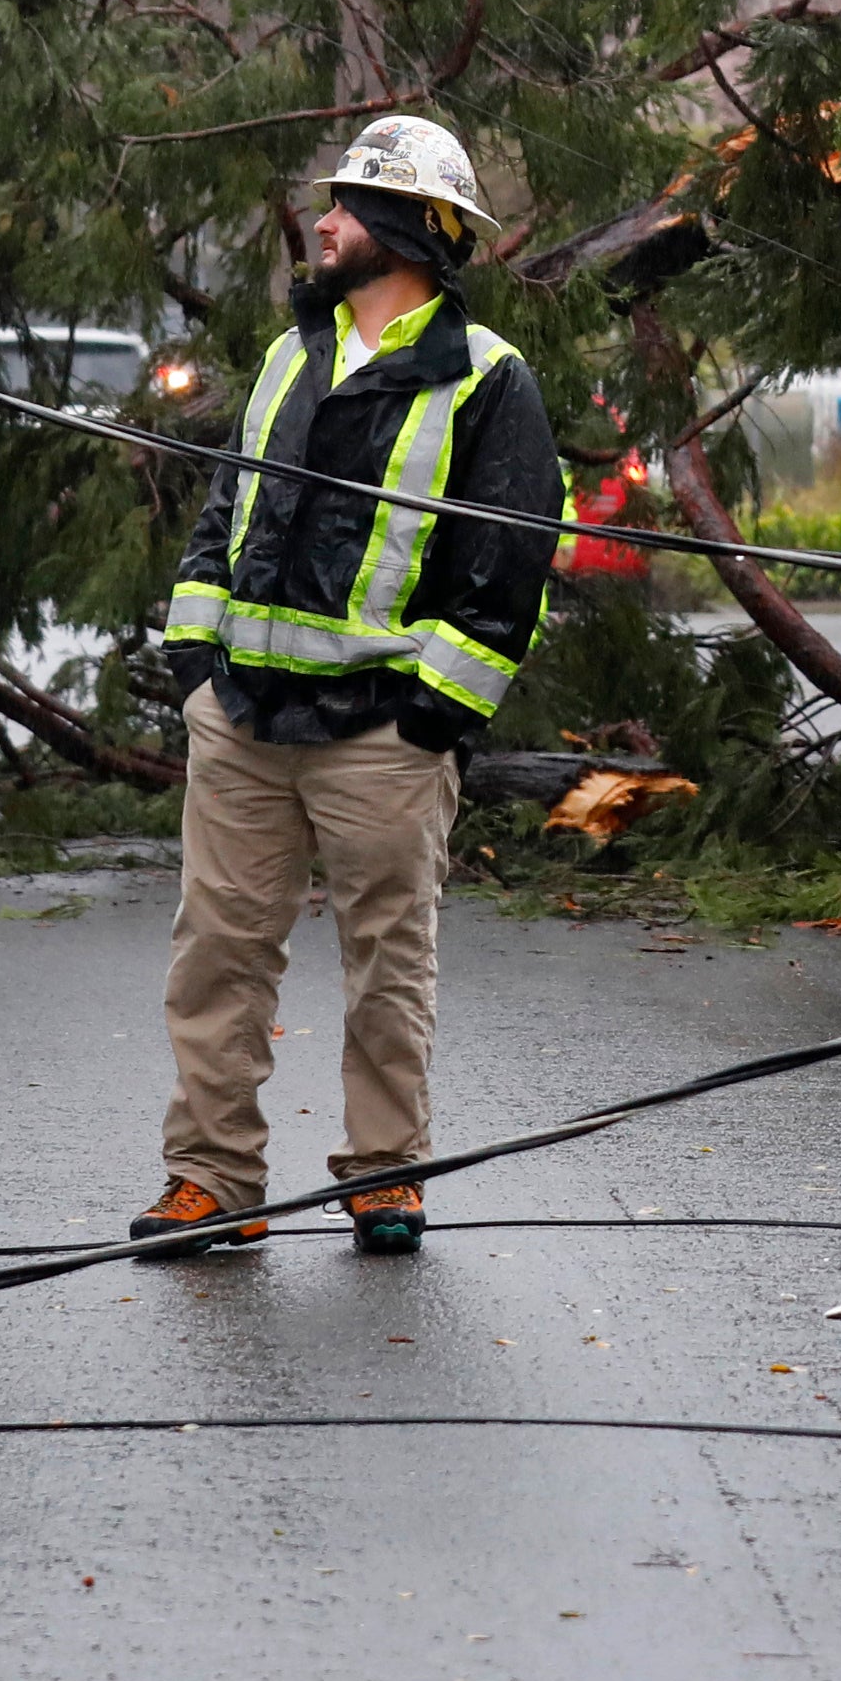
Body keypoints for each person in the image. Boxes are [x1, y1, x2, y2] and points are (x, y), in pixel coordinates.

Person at [134, 114, 559, 1259]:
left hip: (381, 735)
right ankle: (212, 1180)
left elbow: (508, 570)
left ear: (406, 231)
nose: (322, 222)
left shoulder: (486, 380)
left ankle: (387, 1173)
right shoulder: (291, 354)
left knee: (389, 962)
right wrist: (197, 666)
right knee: (217, 954)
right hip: (247, 721)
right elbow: (225, 514)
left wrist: (434, 716)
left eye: (346, 208)